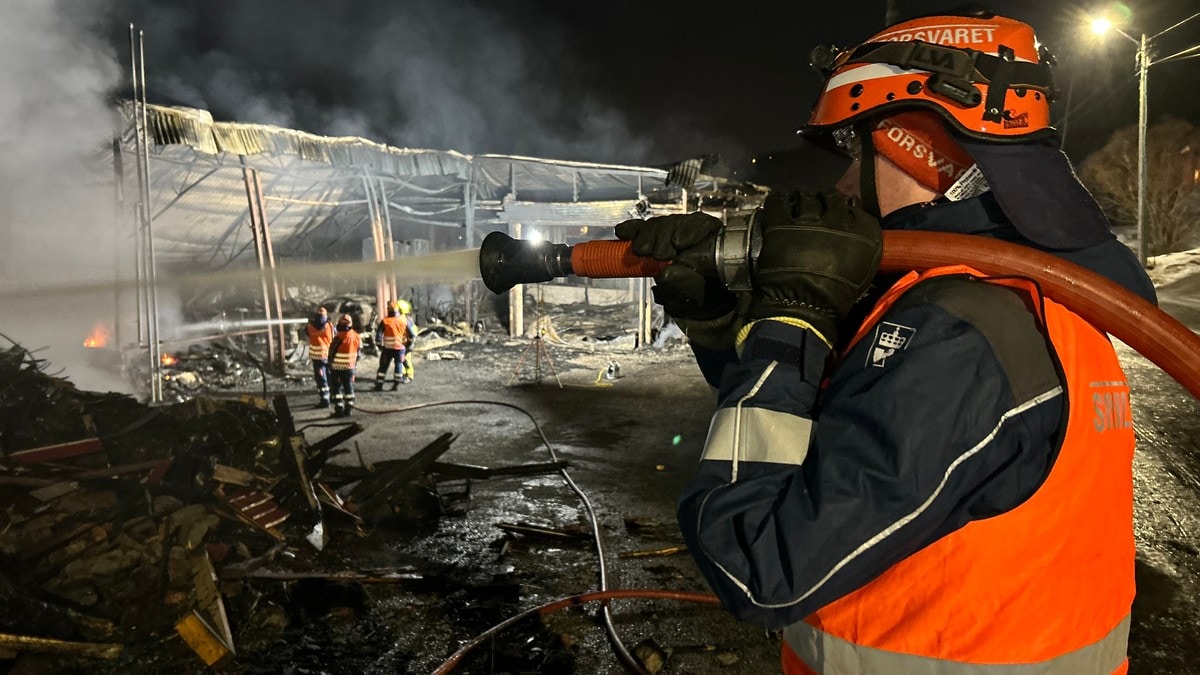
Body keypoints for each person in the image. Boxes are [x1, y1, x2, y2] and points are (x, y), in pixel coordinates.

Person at [615, 10, 1155, 674]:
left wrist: (793, 319)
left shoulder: (958, 335)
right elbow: (827, 429)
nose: (842, 185)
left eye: (856, 152)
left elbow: (756, 560)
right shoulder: (1017, 292)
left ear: (913, 141)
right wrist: (724, 323)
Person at [374, 299, 417, 390]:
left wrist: (379, 345)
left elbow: (378, 335)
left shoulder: (385, 321)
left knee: (383, 367)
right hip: (400, 349)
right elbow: (412, 335)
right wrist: (408, 346)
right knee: (398, 365)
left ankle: (379, 385)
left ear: (388, 310)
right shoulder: (404, 321)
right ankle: (396, 385)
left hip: (387, 349)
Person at [328, 313, 362, 417]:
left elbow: (331, 352)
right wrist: (353, 363)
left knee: (336, 388)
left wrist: (330, 362)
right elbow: (359, 353)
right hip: (350, 368)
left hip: (337, 368)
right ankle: (349, 409)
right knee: (348, 387)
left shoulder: (338, 337)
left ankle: (339, 409)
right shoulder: (356, 336)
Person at [305, 306, 334, 408]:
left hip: (318, 358)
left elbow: (306, 331)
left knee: (321, 378)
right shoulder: (329, 325)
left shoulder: (310, 327)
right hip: (328, 355)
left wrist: (310, 321)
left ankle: (325, 399)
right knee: (330, 376)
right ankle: (333, 396)